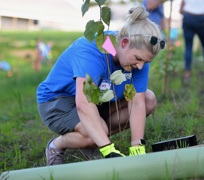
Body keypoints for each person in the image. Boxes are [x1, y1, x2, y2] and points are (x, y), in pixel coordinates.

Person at [36, 2, 165, 166]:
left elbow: (137, 103)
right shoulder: (93, 51)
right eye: (138, 59)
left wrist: (137, 146)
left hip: (96, 100)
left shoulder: (139, 59)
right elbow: (83, 103)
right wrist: (107, 149)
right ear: (124, 43)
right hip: (58, 101)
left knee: (149, 99)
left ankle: (93, 138)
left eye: (145, 62)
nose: (140, 66)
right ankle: (57, 146)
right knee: (95, 133)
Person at [179, 0, 204, 80]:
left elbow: (181, 9)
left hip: (188, 16)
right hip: (202, 17)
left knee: (188, 47)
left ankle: (187, 74)